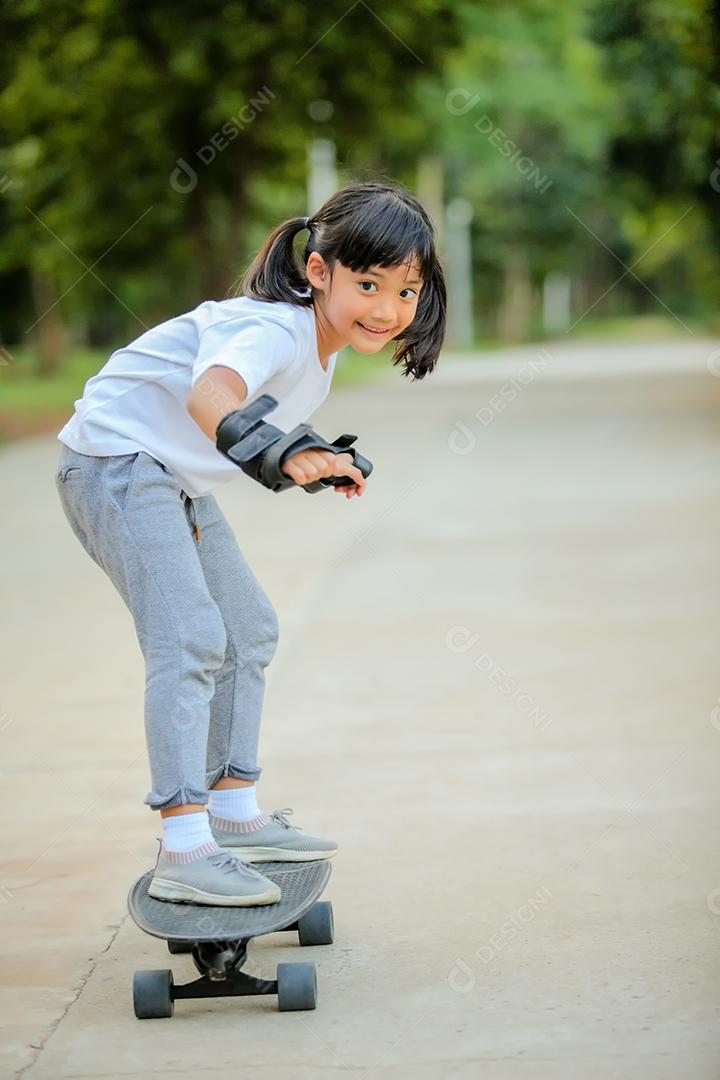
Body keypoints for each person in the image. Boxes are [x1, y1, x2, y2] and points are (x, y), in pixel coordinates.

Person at [54, 180, 447, 907]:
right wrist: (274, 451)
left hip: (169, 477)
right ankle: (184, 843)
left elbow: (258, 422)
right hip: (115, 464)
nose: (389, 310)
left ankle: (233, 815)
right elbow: (213, 396)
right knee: (191, 636)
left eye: (407, 290)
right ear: (319, 271)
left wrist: (314, 455)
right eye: (369, 284)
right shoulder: (273, 328)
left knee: (248, 629)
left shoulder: (316, 346)